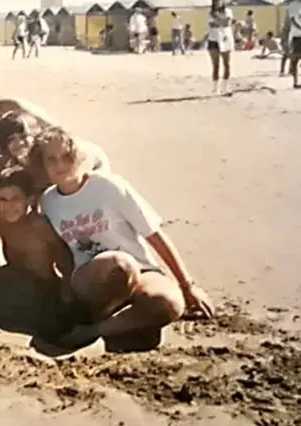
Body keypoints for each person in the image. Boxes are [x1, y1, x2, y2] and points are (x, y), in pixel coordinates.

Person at [33, 127, 214, 348]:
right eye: (51, 159)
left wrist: (187, 286)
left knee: (169, 303)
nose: (60, 165)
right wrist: (65, 289)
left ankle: (96, 330)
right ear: (42, 164)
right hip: (90, 277)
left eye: (66, 157)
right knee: (119, 264)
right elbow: (60, 250)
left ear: (78, 157)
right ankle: (107, 319)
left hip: (140, 270)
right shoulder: (49, 201)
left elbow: (153, 234)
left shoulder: (109, 186)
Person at [0, 167, 71, 285]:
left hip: (42, 284)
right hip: (14, 279)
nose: (9, 206)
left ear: (30, 200)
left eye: (15, 199)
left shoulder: (39, 226)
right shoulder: (0, 221)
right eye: (3, 200)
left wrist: (67, 287)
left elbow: (63, 258)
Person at [207, 0, 235, 95]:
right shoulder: (210, 12)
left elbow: (227, 23)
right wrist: (220, 21)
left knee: (226, 63)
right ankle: (215, 88)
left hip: (225, 38)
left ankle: (225, 87)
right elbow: (212, 24)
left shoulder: (228, 11)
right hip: (214, 39)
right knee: (216, 65)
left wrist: (217, 18)